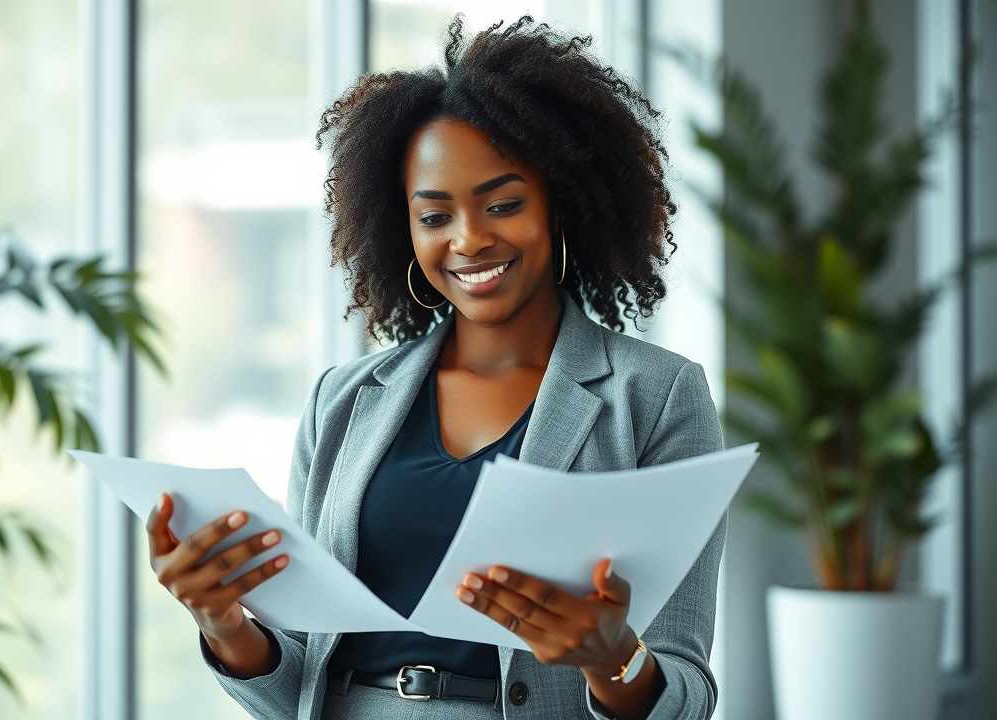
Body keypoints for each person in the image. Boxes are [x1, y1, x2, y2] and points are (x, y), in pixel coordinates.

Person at [145, 16, 723, 720]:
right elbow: (296, 684)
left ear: (561, 207)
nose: (469, 240)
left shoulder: (656, 397)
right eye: (434, 216)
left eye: (503, 204)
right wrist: (226, 624)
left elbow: (685, 692)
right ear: (402, 229)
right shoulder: (345, 401)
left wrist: (613, 660)